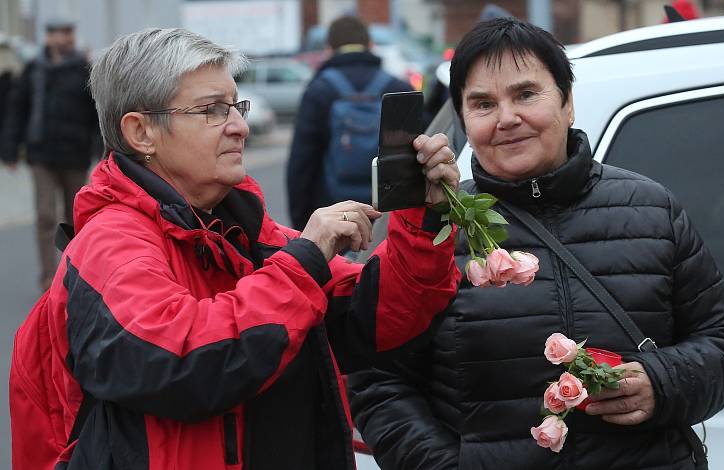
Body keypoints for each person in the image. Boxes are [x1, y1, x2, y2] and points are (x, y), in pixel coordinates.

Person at [9, 28, 460, 470]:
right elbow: (186, 363)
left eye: (236, 106)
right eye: (213, 110)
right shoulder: (111, 244)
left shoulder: (243, 231)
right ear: (141, 132)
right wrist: (305, 261)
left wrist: (425, 221)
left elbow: (381, 319)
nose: (240, 126)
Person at [348, 18, 724, 470]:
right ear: (463, 121)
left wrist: (661, 382)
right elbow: (375, 379)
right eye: (483, 104)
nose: (506, 119)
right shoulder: (432, 231)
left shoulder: (652, 209)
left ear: (568, 103)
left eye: (525, 94)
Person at [287, 15, 413, 230]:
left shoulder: (318, 91)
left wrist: (302, 225)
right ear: (370, 46)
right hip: (390, 218)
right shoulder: (398, 87)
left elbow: (302, 163)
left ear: (329, 49)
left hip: (334, 216)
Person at [0, 19, 98, 292]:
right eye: (59, 33)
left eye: (69, 32)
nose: (65, 38)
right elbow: (17, 109)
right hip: (40, 153)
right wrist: (9, 149)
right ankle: (48, 276)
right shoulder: (34, 69)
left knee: (75, 216)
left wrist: (101, 149)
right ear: (49, 37)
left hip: (74, 154)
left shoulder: (82, 69)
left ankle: (75, 273)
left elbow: (96, 114)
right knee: (45, 216)